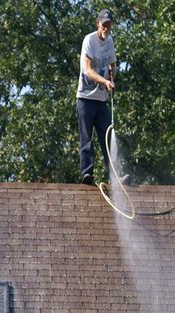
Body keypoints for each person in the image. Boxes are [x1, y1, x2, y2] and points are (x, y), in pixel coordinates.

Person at [76, 9, 116, 186]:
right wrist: (104, 82)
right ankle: (87, 174)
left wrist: (112, 75)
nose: (106, 28)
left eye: (109, 25)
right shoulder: (89, 40)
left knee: (107, 136)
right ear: (98, 24)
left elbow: (112, 65)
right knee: (86, 138)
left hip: (101, 100)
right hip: (85, 98)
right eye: (104, 24)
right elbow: (88, 70)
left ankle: (114, 176)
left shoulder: (110, 42)